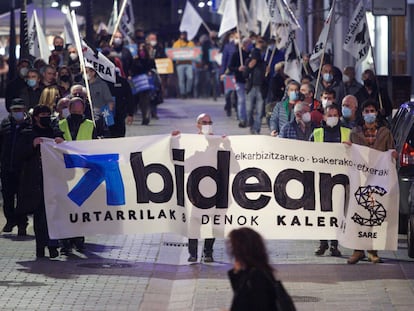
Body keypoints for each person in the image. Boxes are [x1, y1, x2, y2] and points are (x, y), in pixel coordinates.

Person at [345, 100, 398, 264]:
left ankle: (372, 251)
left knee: (374, 215)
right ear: (362, 114)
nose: (369, 113)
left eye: (372, 110)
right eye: (366, 110)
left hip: (378, 180)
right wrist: (347, 147)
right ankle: (357, 250)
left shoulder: (385, 132)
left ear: (376, 113)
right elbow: (349, 156)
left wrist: (393, 155)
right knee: (358, 214)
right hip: (360, 179)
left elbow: (391, 151)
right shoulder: (354, 133)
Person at [19, 105, 64, 258]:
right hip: (35, 181)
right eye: (42, 114)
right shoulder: (27, 133)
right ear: (36, 117)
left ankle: (52, 246)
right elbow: (20, 154)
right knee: (39, 216)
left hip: (53, 179)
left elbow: (64, 152)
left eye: (47, 114)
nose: (45, 116)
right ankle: (40, 247)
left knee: (53, 214)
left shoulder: (54, 131)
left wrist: (60, 142)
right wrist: (32, 145)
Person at [172, 113, 216, 262]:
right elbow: (179, 160)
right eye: (204, 122)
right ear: (197, 125)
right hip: (194, 190)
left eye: (209, 122)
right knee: (194, 222)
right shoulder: (190, 142)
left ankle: (208, 252)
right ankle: (193, 253)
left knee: (212, 223)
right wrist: (174, 140)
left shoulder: (218, 141)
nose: (207, 124)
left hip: (214, 189)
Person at [309, 104, 350, 257]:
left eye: (335, 114)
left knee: (338, 212)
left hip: (340, 180)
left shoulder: (347, 133)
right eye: (329, 114)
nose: (333, 117)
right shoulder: (316, 133)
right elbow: (306, 152)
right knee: (322, 211)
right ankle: (322, 243)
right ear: (324, 117)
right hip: (321, 179)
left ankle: (334, 245)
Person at [58, 97, 96, 254]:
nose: (76, 113)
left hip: (83, 172)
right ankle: (65, 242)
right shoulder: (60, 125)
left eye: (79, 111)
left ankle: (79, 240)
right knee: (65, 208)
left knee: (81, 208)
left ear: (84, 110)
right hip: (64, 172)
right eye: (74, 111)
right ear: (69, 109)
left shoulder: (91, 125)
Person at [0, 98, 32, 235]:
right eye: (14, 110)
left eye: (19, 109)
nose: (17, 112)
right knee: (7, 197)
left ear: (24, 110)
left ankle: (22, 224)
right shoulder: (5, 124)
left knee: (22, 199)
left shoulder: (30, 126)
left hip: (23, 169)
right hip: (7, 168)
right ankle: (10, 219)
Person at [226, 227, 278, 311]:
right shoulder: (251, 272)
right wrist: (236, 273)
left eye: (233, 247)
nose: (231, 251)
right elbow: (241, 297)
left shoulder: (257, 276)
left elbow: (258, 306)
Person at [228, 37, 252, 128]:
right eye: (248, 44)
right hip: (239, 80)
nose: (249, 46)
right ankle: (242, 119)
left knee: (249, 101)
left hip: (249, 81)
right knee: (242, 100)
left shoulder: (251, 54)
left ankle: (249, 119)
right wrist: (238, 69)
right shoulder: (236, 54)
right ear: (243, 44)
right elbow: (230, 67)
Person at [245, 37, 267, 135]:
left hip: (261, 88)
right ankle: (251, 124)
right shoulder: (248, 62)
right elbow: (244, 75)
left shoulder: (264, 64)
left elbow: (267, 78)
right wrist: (248, 67)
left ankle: (256, 129)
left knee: (259, 110)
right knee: (249, 109)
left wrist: (267, 72)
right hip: (251, 87)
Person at [172, 31, 195, 99]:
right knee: (181, 79)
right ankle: (183, 93)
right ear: (180, 36)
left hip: (188, 63)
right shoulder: (176, 43)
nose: (184, 36)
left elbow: (194, 52)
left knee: (190, 78)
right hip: (179, 64)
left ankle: (188, 91)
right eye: (182, 35)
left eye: (185, 35)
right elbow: (173, 53)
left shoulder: (191, 43)